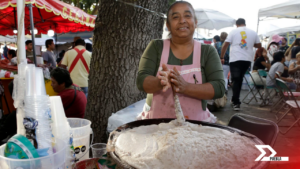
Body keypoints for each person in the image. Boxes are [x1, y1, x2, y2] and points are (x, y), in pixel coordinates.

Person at [136, 1, 225, 122]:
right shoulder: (156, 47)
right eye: (176, 17)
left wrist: (186, 87)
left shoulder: (207, 51)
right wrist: (161, 81)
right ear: (168, 24)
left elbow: (219, 88)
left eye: (187, 16)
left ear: (195, 22)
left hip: (196, 126)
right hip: (156, 124)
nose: (182, 20)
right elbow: (142, 81)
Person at [221, 18, 261, 111]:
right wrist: (250, 44)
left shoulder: (234, 31)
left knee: (236, 80)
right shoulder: (253, 32)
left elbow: (225, 44)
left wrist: (222, 57)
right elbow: (259, 45)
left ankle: (236, 102)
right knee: (239, 79)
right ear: (245, 24)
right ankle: (235, 100)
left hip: (235, 58)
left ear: (237, 24)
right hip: (247, 59)